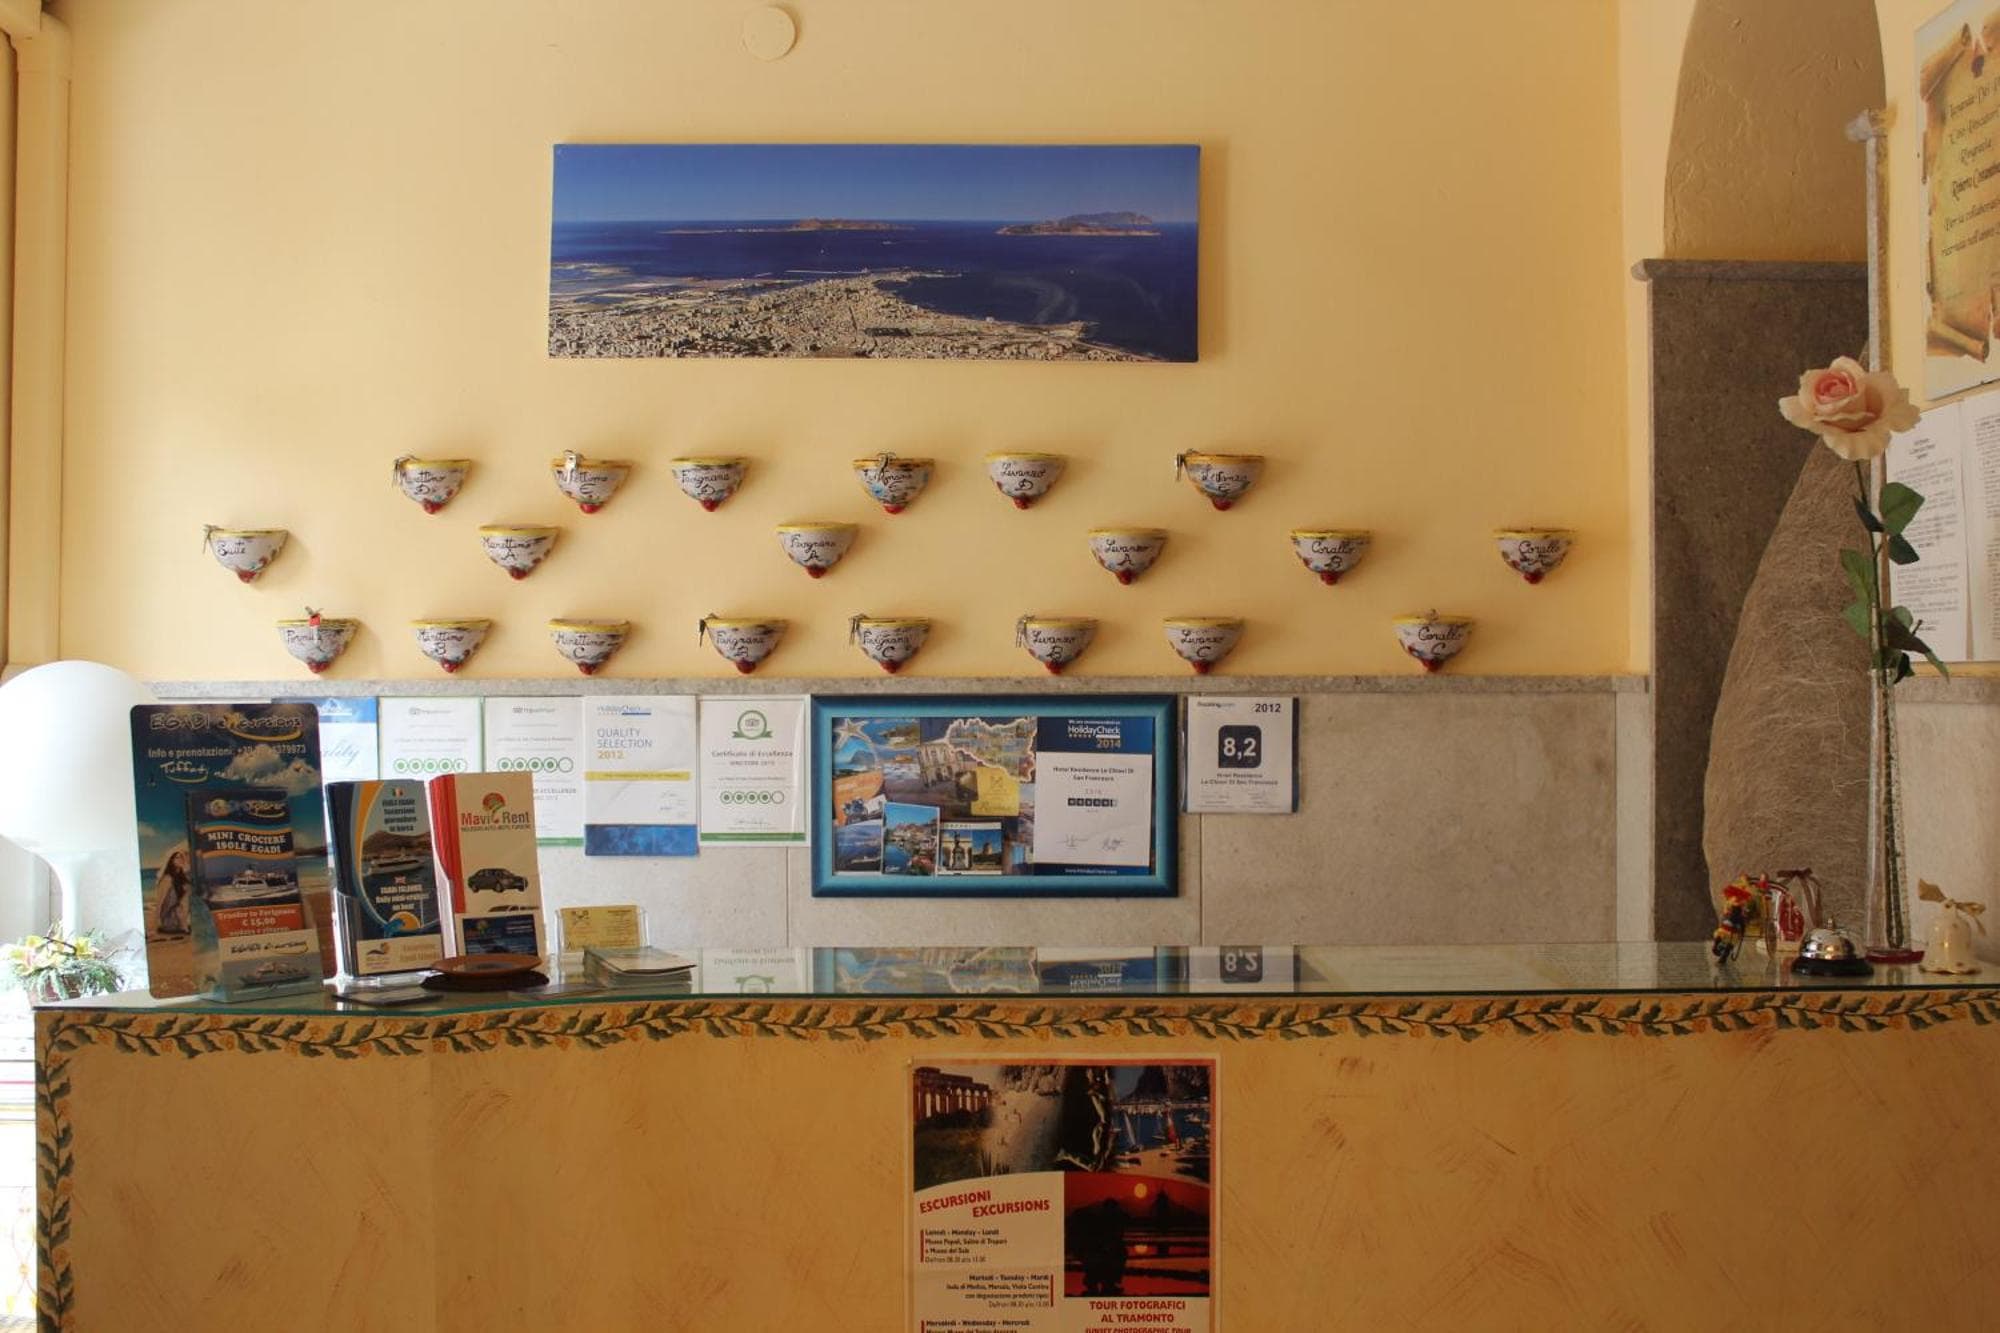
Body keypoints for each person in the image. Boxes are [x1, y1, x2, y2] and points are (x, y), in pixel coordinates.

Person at [153, 846, 192, 937]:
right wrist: (156, 923)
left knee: (190, 890)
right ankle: (184, 926)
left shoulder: (181, 877)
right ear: (171, 861)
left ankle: (184, 924)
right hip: (169, 919)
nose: (181, 859)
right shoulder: (167, 878)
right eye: (177, 857)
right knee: (186, 896)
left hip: (178, 916)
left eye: (182, 857)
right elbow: (159, 901)